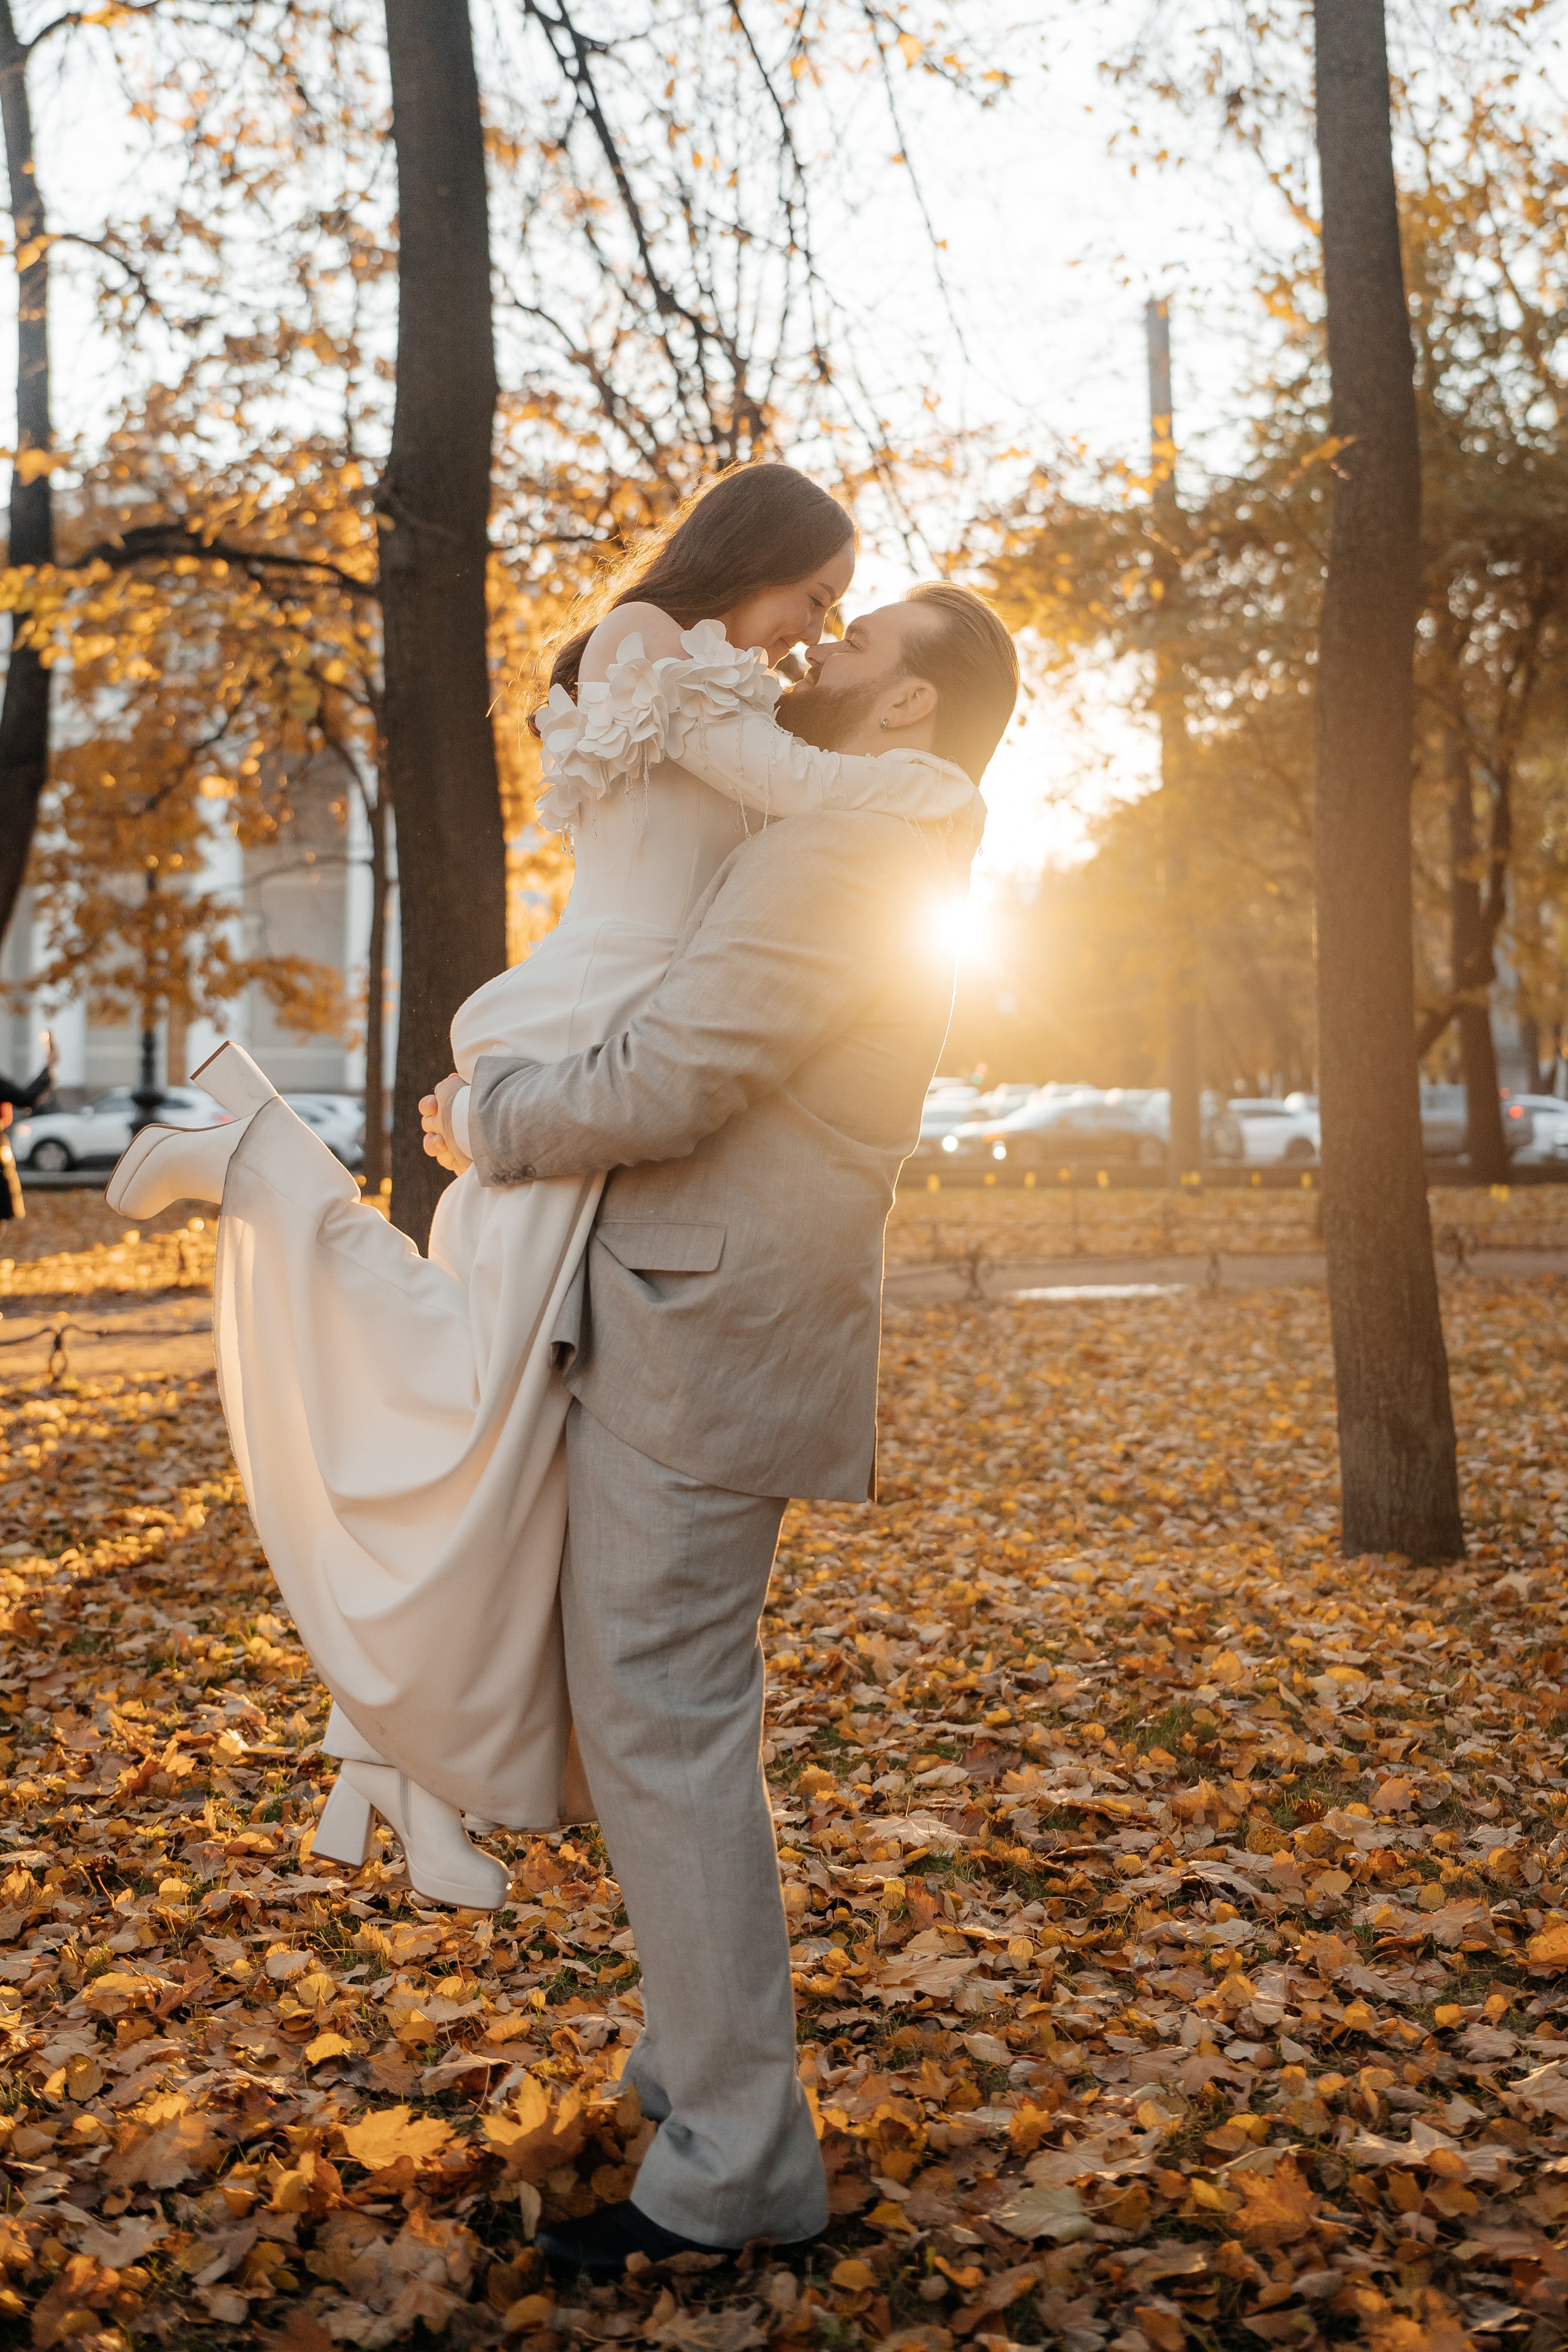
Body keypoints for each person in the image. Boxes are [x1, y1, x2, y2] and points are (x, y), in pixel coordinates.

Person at [100, 463, 984, 1915]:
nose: (820, 630)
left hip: (626, 1048)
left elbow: (785, 837)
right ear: (747, 554)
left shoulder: (747, 697)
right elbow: (794, 795)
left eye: (846, 616)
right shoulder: (653, 646)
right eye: (816, 594)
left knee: (497, 1442)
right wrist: (934, 792)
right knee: (469, 1387)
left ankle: (393, 1759)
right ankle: (262, 1159)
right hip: (594, 1034)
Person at [421, 578, 1020, 2271]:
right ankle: (695, 2086)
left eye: (858, 639)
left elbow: (675, 1077)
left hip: (710, 1337)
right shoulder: (853, 834)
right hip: (689, 1326)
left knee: (666, 1733)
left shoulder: (854, 854)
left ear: (910, 706)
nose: (822, 650)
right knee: (662, 1728)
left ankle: (738, 2170)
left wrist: (489, 1115)